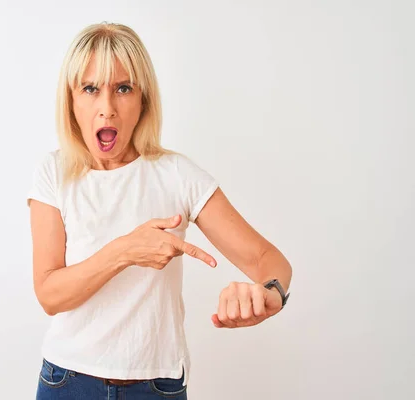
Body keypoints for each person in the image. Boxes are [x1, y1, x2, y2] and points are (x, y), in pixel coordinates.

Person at [27, 22, 293, 400]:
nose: (107, 109)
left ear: (143, 100)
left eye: (123, 88)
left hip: (157, 387)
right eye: (90, 89)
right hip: (66, 382)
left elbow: (269, 259)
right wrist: (125, 251)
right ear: (71, 100)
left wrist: (268, 295)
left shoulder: (177, 175)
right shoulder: (54, 173)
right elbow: (50, 295)